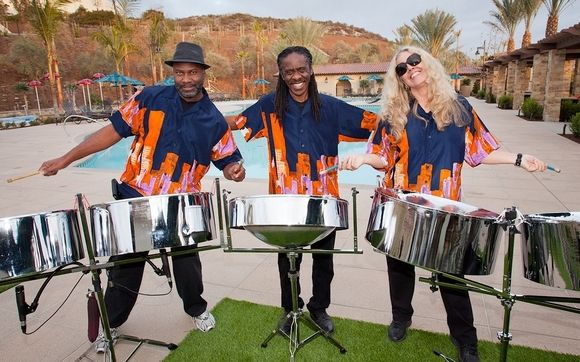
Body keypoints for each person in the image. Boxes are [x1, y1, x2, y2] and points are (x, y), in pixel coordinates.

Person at [340, 46, 547, 362]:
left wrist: (519, 159)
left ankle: (466, 340)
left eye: (414, 61)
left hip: (445, 208)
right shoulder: (393, 112)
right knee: (399, 267)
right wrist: (361, 159)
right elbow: (382, 156)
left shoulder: (459, 107)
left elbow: (479, 152)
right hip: (404, 204)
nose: (410, 68)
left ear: (427, 63)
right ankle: (401, 317)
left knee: (452, 277)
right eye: (401, 69)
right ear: (400, 80)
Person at [40, 42, 246, 352]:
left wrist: (233, 170)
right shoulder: (150, 98)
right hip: (136, 194)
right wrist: (66, 159)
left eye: (192, 73)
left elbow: (227, 158)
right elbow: (111, 132)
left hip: (179, 203)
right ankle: (110, 325)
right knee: (126, 263)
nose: (186, 79)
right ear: (173, 74)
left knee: (187, 262)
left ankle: (196, 309)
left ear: (203, 74)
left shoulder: (215, 120)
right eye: (180, 73)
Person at [227, 46, 378, 334]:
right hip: (284, 199)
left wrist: (371, 157)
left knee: (324, 260)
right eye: (289, 71)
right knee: (287, 260)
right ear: (281, 75)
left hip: (323, 198)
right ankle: (290, 309)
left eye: (301, 69)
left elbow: (376, 125)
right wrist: (206, 129)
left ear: (311, 70)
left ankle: (319, 307)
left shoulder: (332, 108)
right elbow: (234, 125)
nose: (296, 76)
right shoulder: (268, 106)